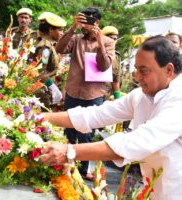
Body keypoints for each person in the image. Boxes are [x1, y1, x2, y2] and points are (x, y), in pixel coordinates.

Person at [40, 36, 182, 199]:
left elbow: (135, 142)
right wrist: (40, 117)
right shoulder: (142, 95)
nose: (137, 77)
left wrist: (69, 152)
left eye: (144, 70)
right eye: (136, 69)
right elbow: (95, 115)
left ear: (169, 70)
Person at [55, 7, 115, 179]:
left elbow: (104, 65)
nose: (84, 24)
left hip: (93, 96)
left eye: (87, 21)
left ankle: (81, 173)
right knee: (69, 133)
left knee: (87, 135)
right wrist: (72, 27)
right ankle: (65, 170)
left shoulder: (108, 42)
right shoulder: (76, 39)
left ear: (97, 22)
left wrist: (100, 42)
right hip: (73, 93)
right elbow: (60, 48)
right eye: (82, 20)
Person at [32, 12, 66, 107]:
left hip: (46, 89)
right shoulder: (45, 47)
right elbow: (40, 71)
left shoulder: (50, 45)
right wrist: (53, 87)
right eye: (60, 30)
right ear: (51, 29)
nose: (62, 33)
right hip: (42, 91)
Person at [101, 25, 121, 100]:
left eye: (115, 39)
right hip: (92, 95)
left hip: (106, 95)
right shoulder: (93, 51)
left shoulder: (116, 56)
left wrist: (118, 97)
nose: (113, 41)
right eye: (110, 38)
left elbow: (116, 78)